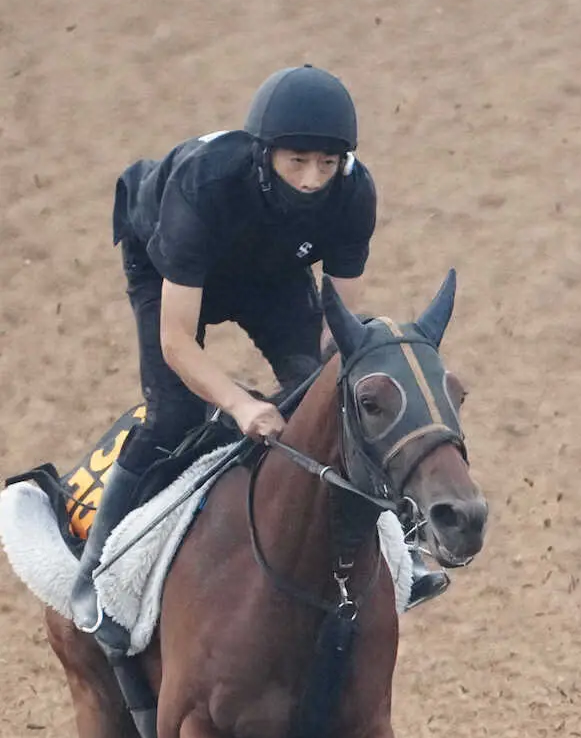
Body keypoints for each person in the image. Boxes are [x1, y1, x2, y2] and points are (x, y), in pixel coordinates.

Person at [71, 64, 448, 653]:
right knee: (174, 414)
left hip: (268, 273)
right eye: (296, 161)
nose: (310, 179)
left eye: (327, 164)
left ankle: (401, 548)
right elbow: (177, 343)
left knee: (326, 391)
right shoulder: (204, 186)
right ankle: (98, 568)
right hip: (168, 266)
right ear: (264, 152)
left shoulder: (353, 194)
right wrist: (243, 405)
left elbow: (337, 335)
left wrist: (326, 383)